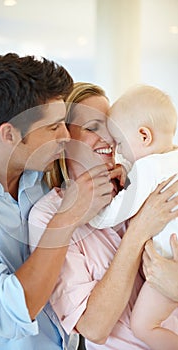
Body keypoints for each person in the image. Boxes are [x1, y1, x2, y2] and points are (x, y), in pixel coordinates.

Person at [0, 54, 115, 350]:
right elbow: (11, 313)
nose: (66, 136)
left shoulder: (43, 176)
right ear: (9, 134)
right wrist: (65, 218)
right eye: (53, 128)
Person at [28, 82, 178, 349]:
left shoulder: (139, 183)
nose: (109, 139)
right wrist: (139, 229)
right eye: (92, 128)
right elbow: (93, 328)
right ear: (64, 139)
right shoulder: (48, 215)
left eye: (111, 128)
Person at [89, 85, 178, 349]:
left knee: (144, 326)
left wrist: (90, 214)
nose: (117, 152)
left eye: (119, 143)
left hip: (168, 258)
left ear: (143, 135)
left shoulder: (147, 168)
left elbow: (114, 214)